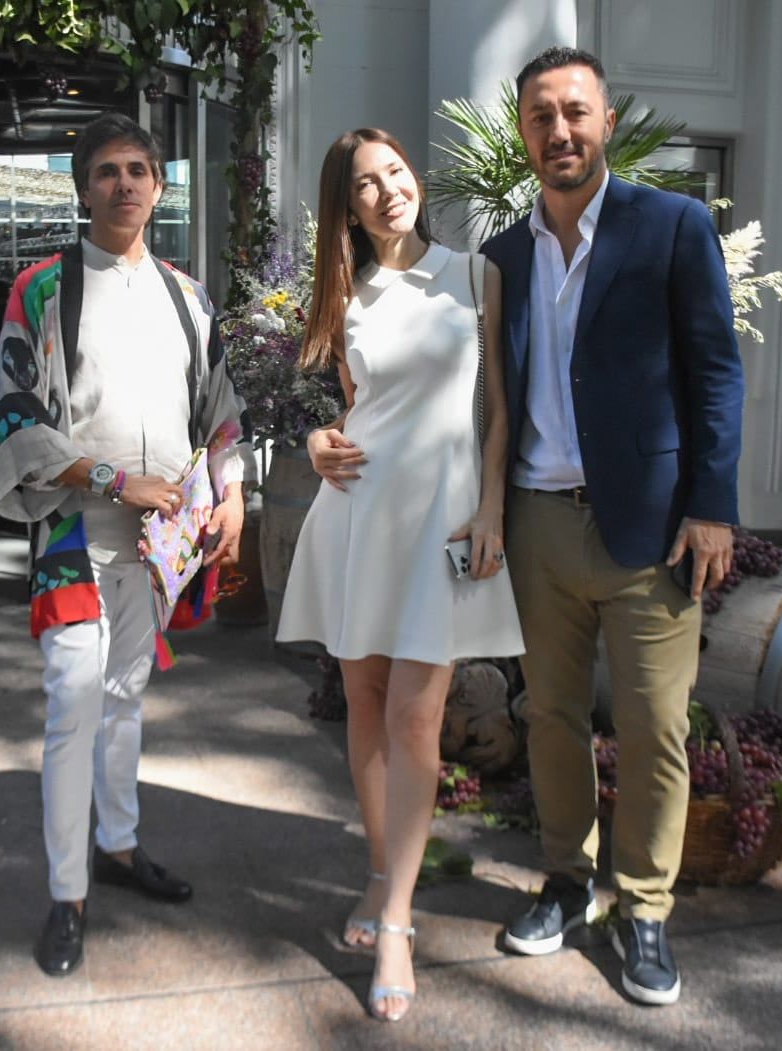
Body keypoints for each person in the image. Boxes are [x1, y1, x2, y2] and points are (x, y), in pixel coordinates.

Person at [479, 47, 744, 1007]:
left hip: (653, 524)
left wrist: (713, 504)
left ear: (607, 123)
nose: (560, 130)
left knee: (653, 725)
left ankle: (643, 907)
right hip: (540, 523)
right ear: (523, 133)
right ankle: (565, 879)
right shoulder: (504, 255)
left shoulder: (672, 226)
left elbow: (716, 369)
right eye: (541, 115)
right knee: (549, 715)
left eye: (575, 112)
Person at [0, 113, 249, 980]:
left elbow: (221, 409)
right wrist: (111, 480)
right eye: (106, 171)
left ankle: (120, 845)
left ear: (160, 187)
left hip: (161, 543)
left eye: (139, 169)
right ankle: (67, 894)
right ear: (82, 189)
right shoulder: (42, 290)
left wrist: (234, 491)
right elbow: (16, 416)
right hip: (75, 531)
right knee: (74, 702)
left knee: (126, 694)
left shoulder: (189, 296)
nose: (124, 183)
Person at [276, 128, 523, 1023]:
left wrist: (492, 507)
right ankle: (381, 870)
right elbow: (340, 405)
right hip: (360, 515)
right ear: (346, 208)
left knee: (419, 718)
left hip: (442, 522)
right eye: (365, 186)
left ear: (414, 176)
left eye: (395, 173)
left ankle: (397, 922)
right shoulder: (345, 293)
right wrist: (315, 438)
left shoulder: (475, 274)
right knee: (366, 702)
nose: (387, 192)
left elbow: (497, 410)